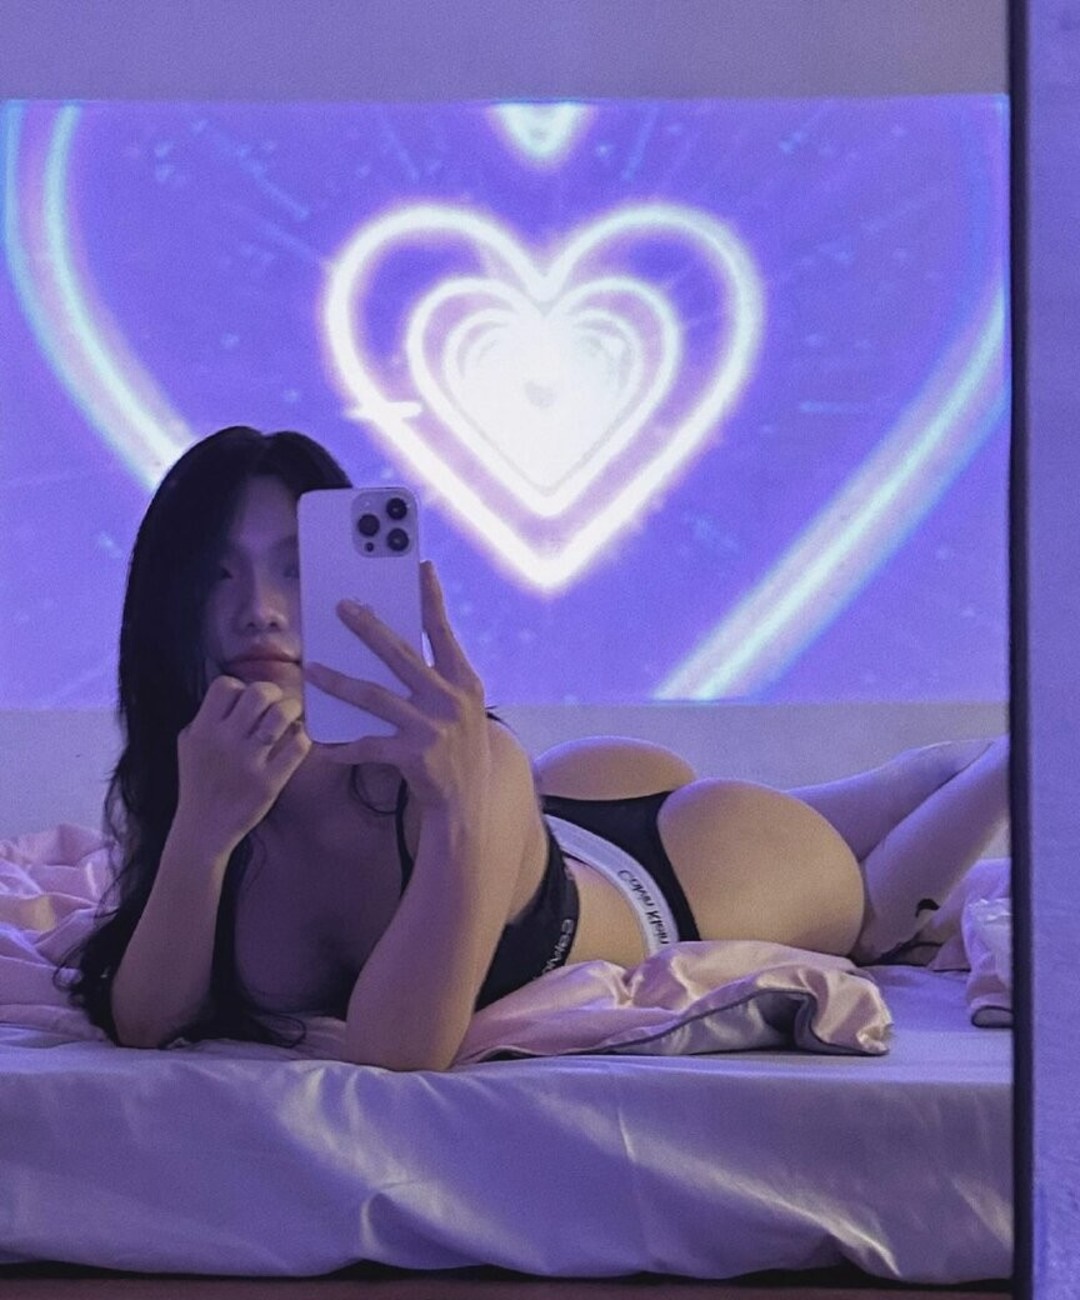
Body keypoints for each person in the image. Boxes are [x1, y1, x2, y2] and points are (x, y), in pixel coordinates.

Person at [61, 427, 1010, 1072]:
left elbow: (398, 1052)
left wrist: (458, 801)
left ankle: (1009, 758)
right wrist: (203, 835)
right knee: (859, 815)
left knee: (876, 915)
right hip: (565, 816)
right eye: (217, 574)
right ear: (168, 601)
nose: (258, 610)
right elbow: (147, 1020)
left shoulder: (467, 760)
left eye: (296, 569)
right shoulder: (204, 771)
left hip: (687, 871)